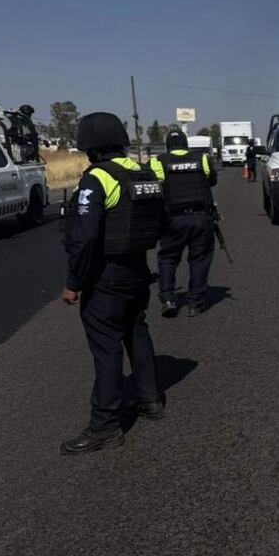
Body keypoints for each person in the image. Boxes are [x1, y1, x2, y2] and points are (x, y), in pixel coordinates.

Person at [60, 112, 166, 455]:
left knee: (106, 348)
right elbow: (161, 222)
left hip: (106, 275)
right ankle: (150, 401)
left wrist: (73, 282)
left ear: (91, 149)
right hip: (137, 270)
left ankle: (104, 426)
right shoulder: (144, 172)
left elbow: (86, 238)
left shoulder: (97, 178)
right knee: (136, 333)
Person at [150, 129, 218, 318]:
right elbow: (212, 181)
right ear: (186, 144)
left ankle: (168, 299)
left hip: (172, 220)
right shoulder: (201, 158)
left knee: (168, 259)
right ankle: (195, 304)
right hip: (201, 218)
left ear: (168, 146)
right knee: (199, 259)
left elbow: (154, 186)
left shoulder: (158, 161)